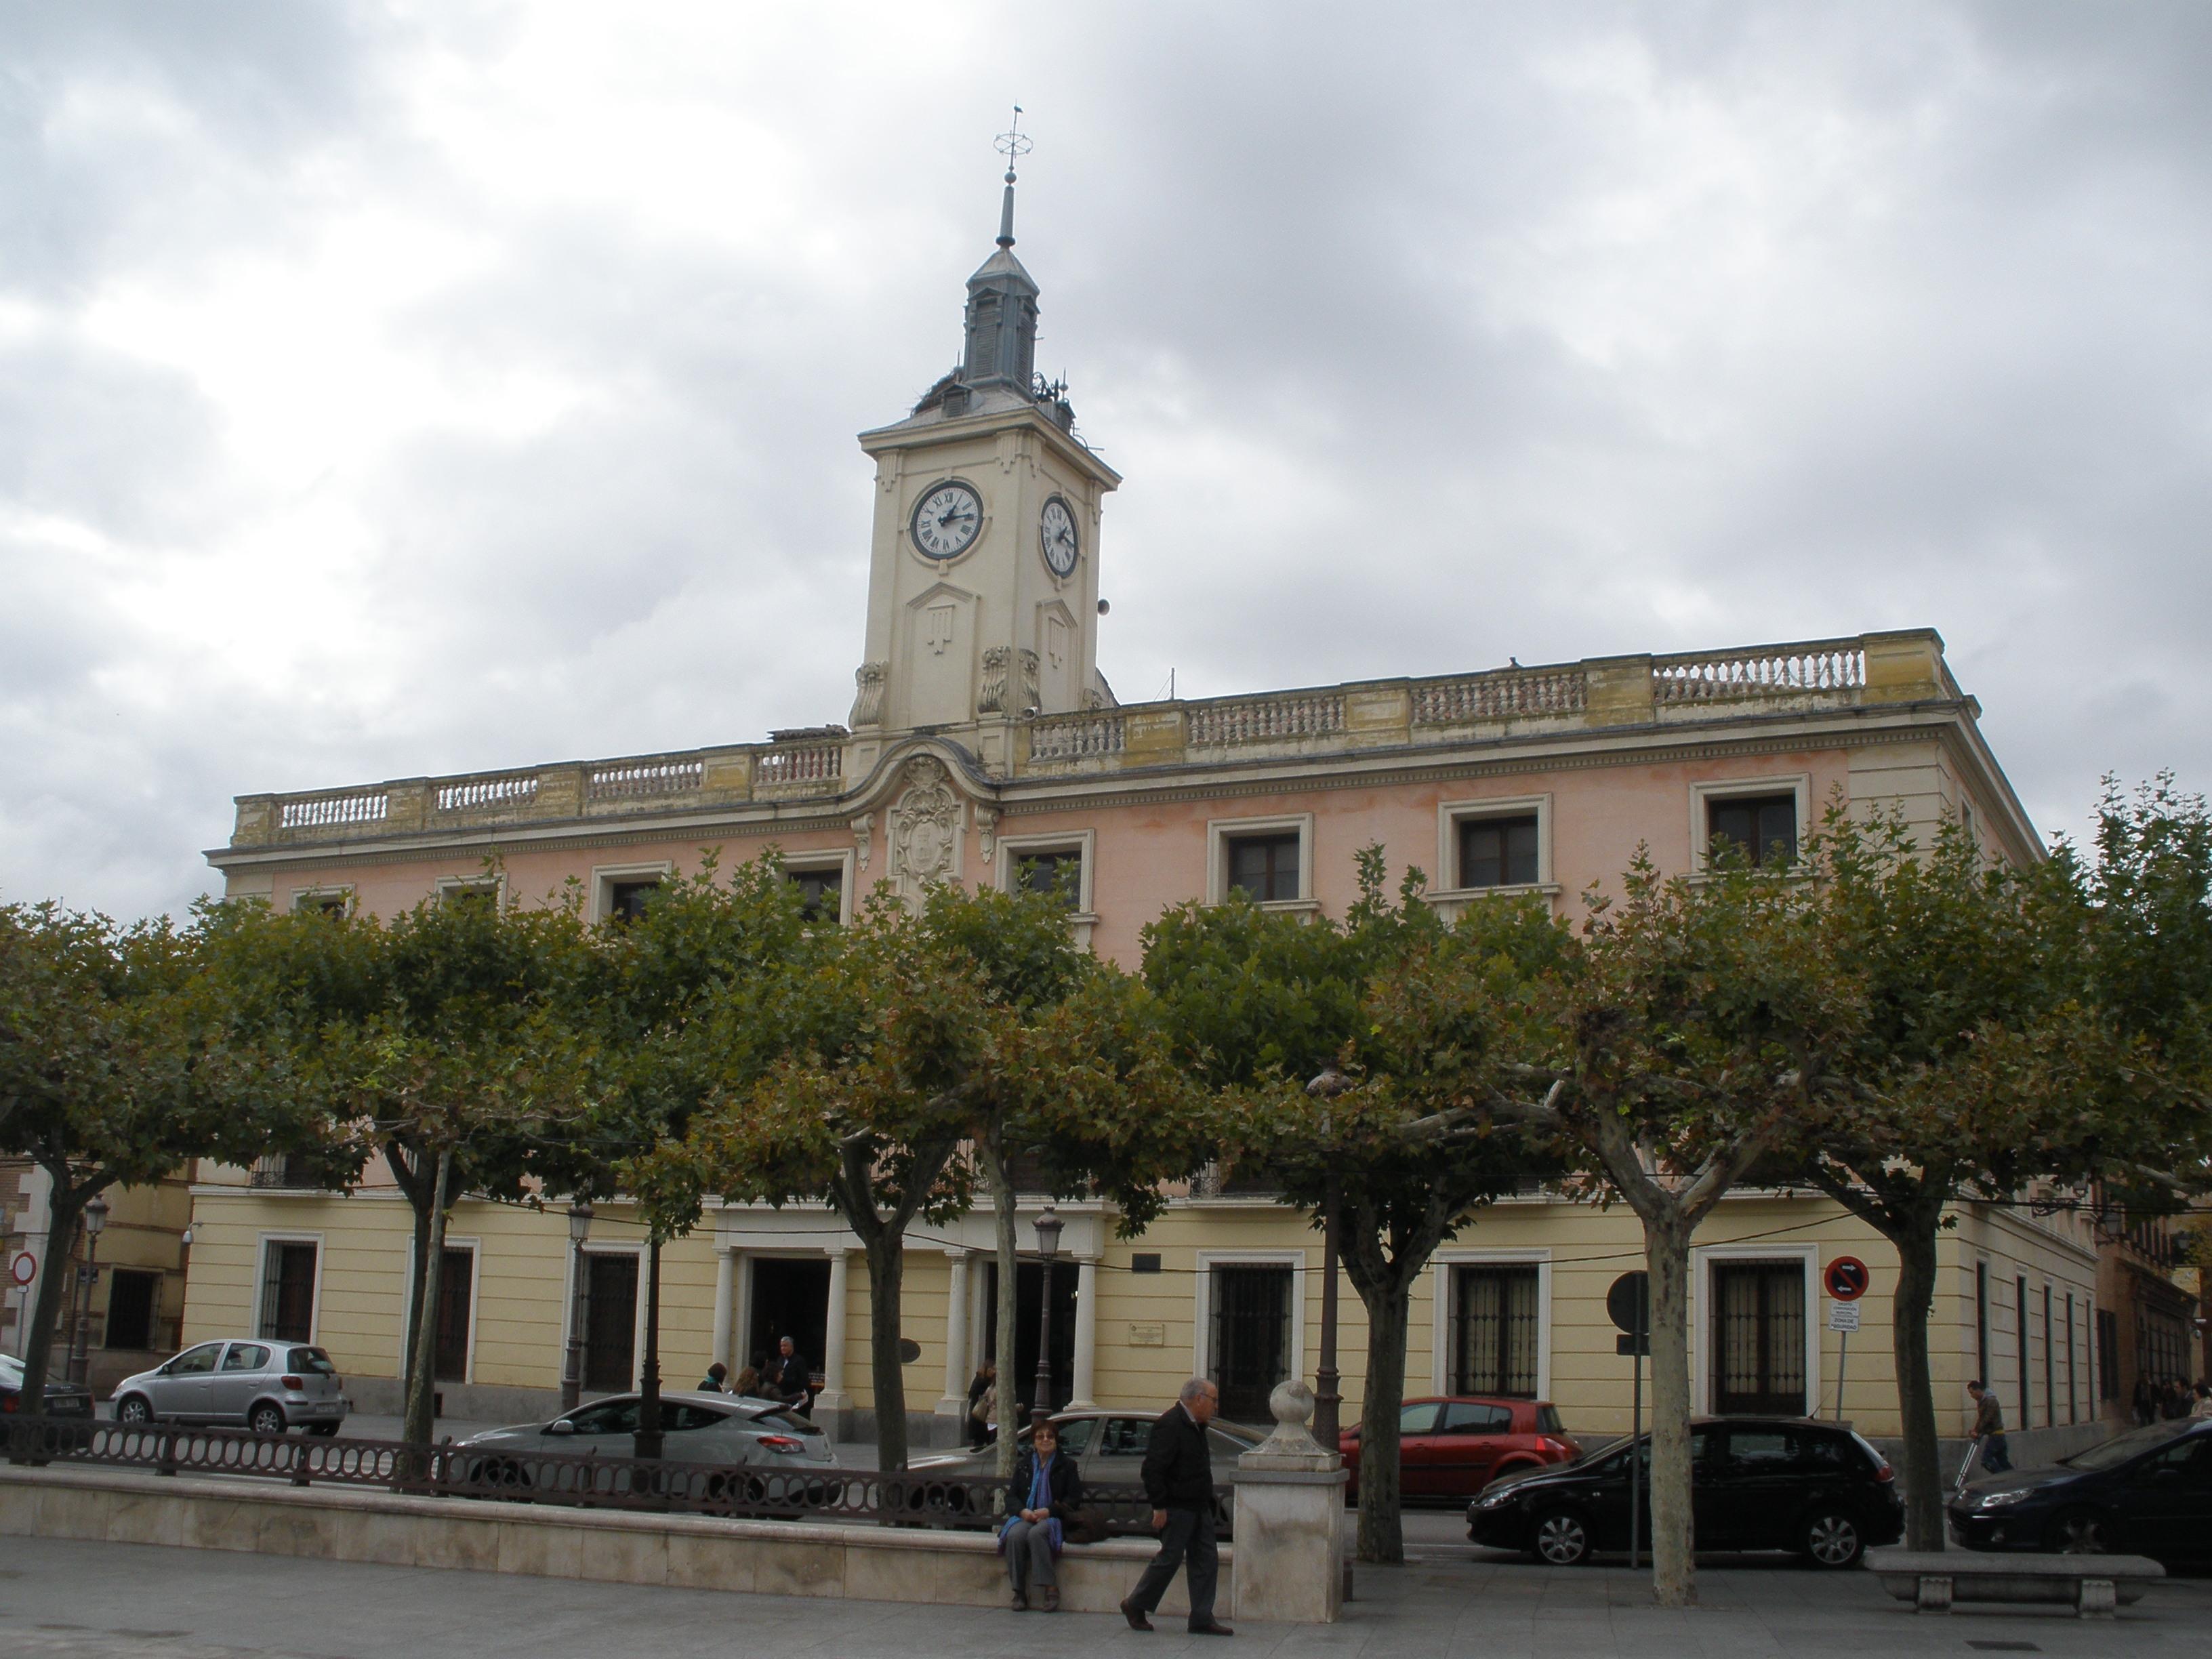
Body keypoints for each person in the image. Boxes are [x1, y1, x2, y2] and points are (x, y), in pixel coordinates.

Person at [1120, 1378, 1233, 1638]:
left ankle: (1202, 1617)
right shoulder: (1170, 1425)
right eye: (1214, 1400)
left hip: (1199, 1505)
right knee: (1170, 1558)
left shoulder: (1197, 1426)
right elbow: (1152, 1469)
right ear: (1198, 1399)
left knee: (1206, 1560)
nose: (1216, 1407)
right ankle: (1135, 1604)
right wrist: (1159, 1505)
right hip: (1177, 1506)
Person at [1001, 1418, 1082, 1612]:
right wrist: (1023, 1512)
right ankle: (1019, 1592)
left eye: (1050, 1436)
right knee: (1014, 1535)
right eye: (1040, 1437)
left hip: (1054, 1519)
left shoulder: (1067, 1465)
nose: (1046, 1440)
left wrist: (1050, 1511)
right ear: (1034, 1441)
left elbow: (1073, 1499)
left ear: (1056, 1440)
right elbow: (1011, 1496)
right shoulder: (1024, 1465)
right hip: (1028, 1516)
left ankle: (1051, 1589)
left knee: (1036, 1534)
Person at [1967, 1379, 2011, 1474]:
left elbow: (1987, 1418)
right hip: (1996, 1436)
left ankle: (2001, 1478)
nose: (1972, 1396)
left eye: (1972, 1393)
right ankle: (2013, 1478)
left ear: (1978, 1390)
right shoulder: (1982, 1401)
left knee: (1986, 1460)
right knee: (2003, 1462)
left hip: (1997, 1436)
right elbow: (1981, 1419)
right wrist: (1976, 1430)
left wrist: (1978, 1431)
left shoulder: (1991, 1401)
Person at [766, 1336, 811, 1410]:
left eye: (785, 1346)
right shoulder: (780, 1359)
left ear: (791, 1347)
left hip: (794, 1396)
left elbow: (804, 1380)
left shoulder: (799, 1361)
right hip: (781, 1395)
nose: (782, 1348)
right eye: (781, 1346)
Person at [966, 1361, 998, 1449]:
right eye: (993, 1369)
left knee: (985, 1442)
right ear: (988, 1369)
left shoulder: (987, 1381)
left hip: (983, 1418)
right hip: (980, 1417)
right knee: (981, 1443)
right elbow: (973, 1395)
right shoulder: (982, 1382)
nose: (995, 1371)